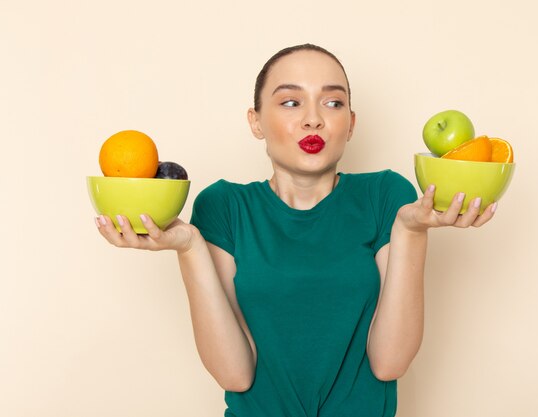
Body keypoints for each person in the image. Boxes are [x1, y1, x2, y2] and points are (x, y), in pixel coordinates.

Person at [95, 43, 496, 417]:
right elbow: (235, 375)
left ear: (351, 123)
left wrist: (411, 231)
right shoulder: (224, 207)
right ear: (255, 121)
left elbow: (390, 362)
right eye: (290, 102)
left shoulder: (386, 196)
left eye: (333, 102)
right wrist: (189, 246)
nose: (313, 119)